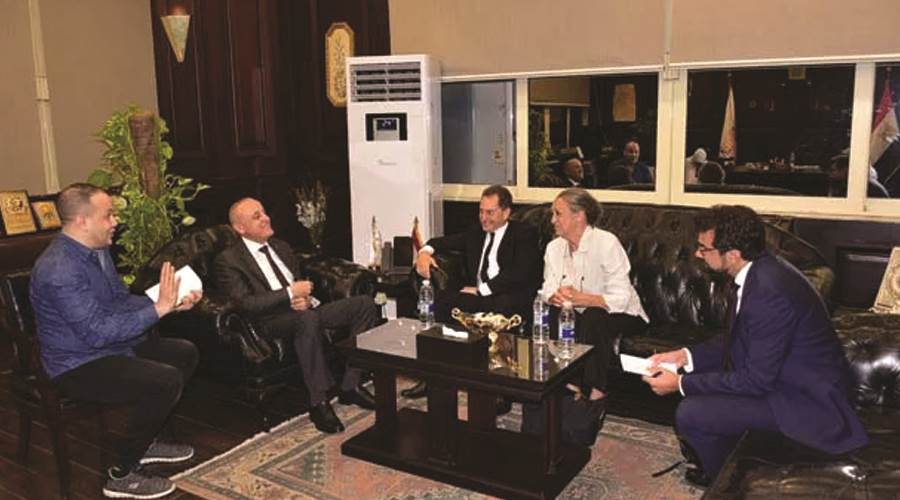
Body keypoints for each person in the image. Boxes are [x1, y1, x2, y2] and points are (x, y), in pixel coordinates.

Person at [642, 205, 868, 486]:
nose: (698, 255)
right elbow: (737, 338)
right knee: (702, 393)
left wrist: (680, 383)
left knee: (692, 413)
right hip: (783, 380)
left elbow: (755, 381)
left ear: (733, 254)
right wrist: (685, 356)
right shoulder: (762, 270)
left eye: (704, 249)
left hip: (805, 401)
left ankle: (729, 485)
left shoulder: (768, 291)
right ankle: (731, 465)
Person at [30, 183, 201, 499]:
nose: (115, 221)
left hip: (109, 347)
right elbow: (96, 332)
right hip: (77, 364)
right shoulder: (59, 269)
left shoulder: (96, 250)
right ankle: (122, 474)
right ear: (82, 221)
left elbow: (119, 300)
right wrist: (158, 309)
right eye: (108, 215)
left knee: (183, 353)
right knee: (164, 380)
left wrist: (168, 303)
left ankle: (147, 442)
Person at [214, 198, 379, 435]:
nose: (265, 218)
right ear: (240, 228)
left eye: (264, 212)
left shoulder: (281, 247)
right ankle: (318, 402)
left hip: (302, 311)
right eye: (256, 216)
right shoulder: (229, 260)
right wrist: (290, 294)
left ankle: (350, 385)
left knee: (364, 305)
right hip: (268, 321)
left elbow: (300, 285)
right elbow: (246, 304)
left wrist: (308, 300)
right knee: (307, 320)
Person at [404, 185, 541, 399]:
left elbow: (519, 273)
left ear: (506, 212)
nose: (484, 218)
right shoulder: (475, 232)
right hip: (477, 297)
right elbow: (439, 242)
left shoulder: (524, 234)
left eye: (490, 212)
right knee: (438, 303)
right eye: (481, 211)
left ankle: (499, 391)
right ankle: (432, 379)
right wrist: (424, 253)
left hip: (508, 297)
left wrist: (481, 290)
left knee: (496, 305)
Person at [542, 188, 648, 416]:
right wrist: (554, 296)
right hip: (577, 311)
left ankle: (595, 393)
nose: (552, 220)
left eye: (558, 214)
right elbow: (547, 287)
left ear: (579, 215)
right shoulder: (554, 248)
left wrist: (583, 298)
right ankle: (564, 385)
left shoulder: (606, 243)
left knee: (593, 315)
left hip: (623, 314)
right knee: (554, 312)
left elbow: (621, 297)